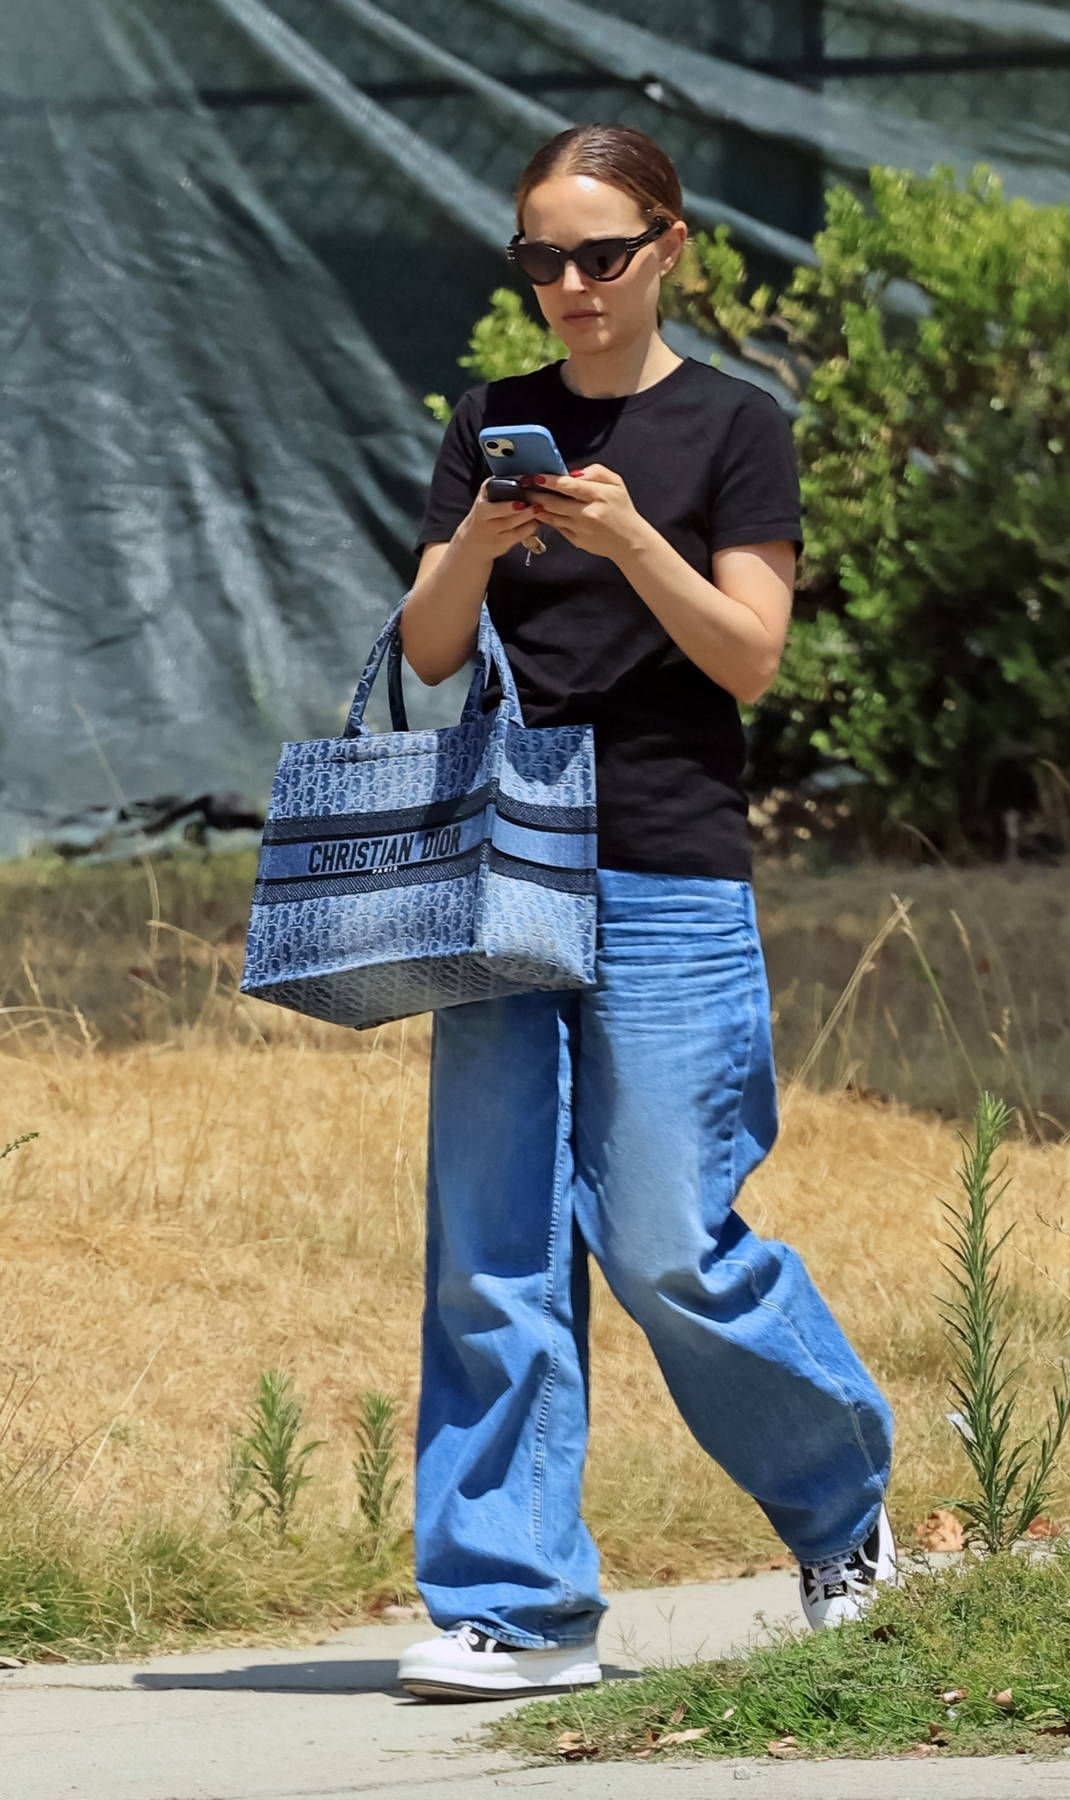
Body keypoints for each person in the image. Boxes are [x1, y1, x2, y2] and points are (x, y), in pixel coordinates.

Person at [393, 123, 895, 1702]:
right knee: (493, 1246)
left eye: (599, 255)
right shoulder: (493, 422)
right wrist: (483, 536)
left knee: (671, 1238)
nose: (569, 287)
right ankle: (516, 1606)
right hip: (508, 867)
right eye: (541, 258)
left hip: (670, 867)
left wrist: (625, 537)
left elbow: (749, 655)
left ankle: (847, 1522)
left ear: (668, 246)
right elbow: (421, 653)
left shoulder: (737, 427)